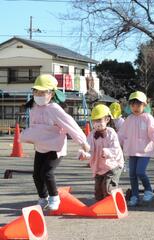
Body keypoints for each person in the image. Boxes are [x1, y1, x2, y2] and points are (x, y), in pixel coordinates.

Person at [20, 74, 90, 210]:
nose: (39, 94)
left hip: (56, 147)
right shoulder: (34, 107)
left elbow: (71, 124)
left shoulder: (54, 109)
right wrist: (27, 137)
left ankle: (54, 197)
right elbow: (35, 128)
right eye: (36, 91)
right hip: (41, 146)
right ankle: (43, 198)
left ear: (51, 94)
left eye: (42, 92)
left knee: (47, 172)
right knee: (36, 174)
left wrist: (82, 142)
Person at [118, 91, 154, 206]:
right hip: (132, 150)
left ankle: (148, 190)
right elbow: (121, 134)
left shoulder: (148, 118)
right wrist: (117, 143)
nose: (135, 108)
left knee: (140, 172)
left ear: (145, 105)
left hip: (145, 151)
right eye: (133, 105)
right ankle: (135, 196)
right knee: (132, 174)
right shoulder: (129, 119)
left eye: (138, 105)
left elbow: (153, 131)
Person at [79, 104, 124, 201]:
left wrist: (107, 152)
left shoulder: (111, 133)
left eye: (99, 120)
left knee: (107, 187)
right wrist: (84, 154)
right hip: (99, 167)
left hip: (113, 165)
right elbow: (88, 148)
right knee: (98, 190)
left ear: (107, 120)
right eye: (94, 121)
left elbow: (116, 149)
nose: (96, 123)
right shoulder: (92, 135)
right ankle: (101, 207)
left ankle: (112, 204)